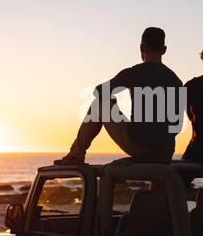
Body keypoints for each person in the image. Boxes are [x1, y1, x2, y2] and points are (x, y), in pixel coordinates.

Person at [55, 27, 183, 166]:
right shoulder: (176, 81)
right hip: (165, 153)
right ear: (164, 49)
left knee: (100, 104)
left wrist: (114, 102)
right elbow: (177, 125)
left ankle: (76, 155)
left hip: (140, 147)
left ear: (141, 48)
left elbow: (99, 92)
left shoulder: (134, 72)